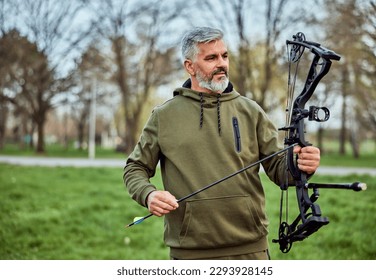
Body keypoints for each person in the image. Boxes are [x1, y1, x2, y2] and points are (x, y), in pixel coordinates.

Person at [123, 27, 320, 260]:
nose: (222, 63)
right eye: (211, 58)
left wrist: (301, 164)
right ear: (190, 67)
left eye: (224, 56)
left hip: (250, 249)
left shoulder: (250, 111)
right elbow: (134, 168)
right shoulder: (164, 116)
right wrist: (149, 195)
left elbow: (281, 172)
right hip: (190, 253)